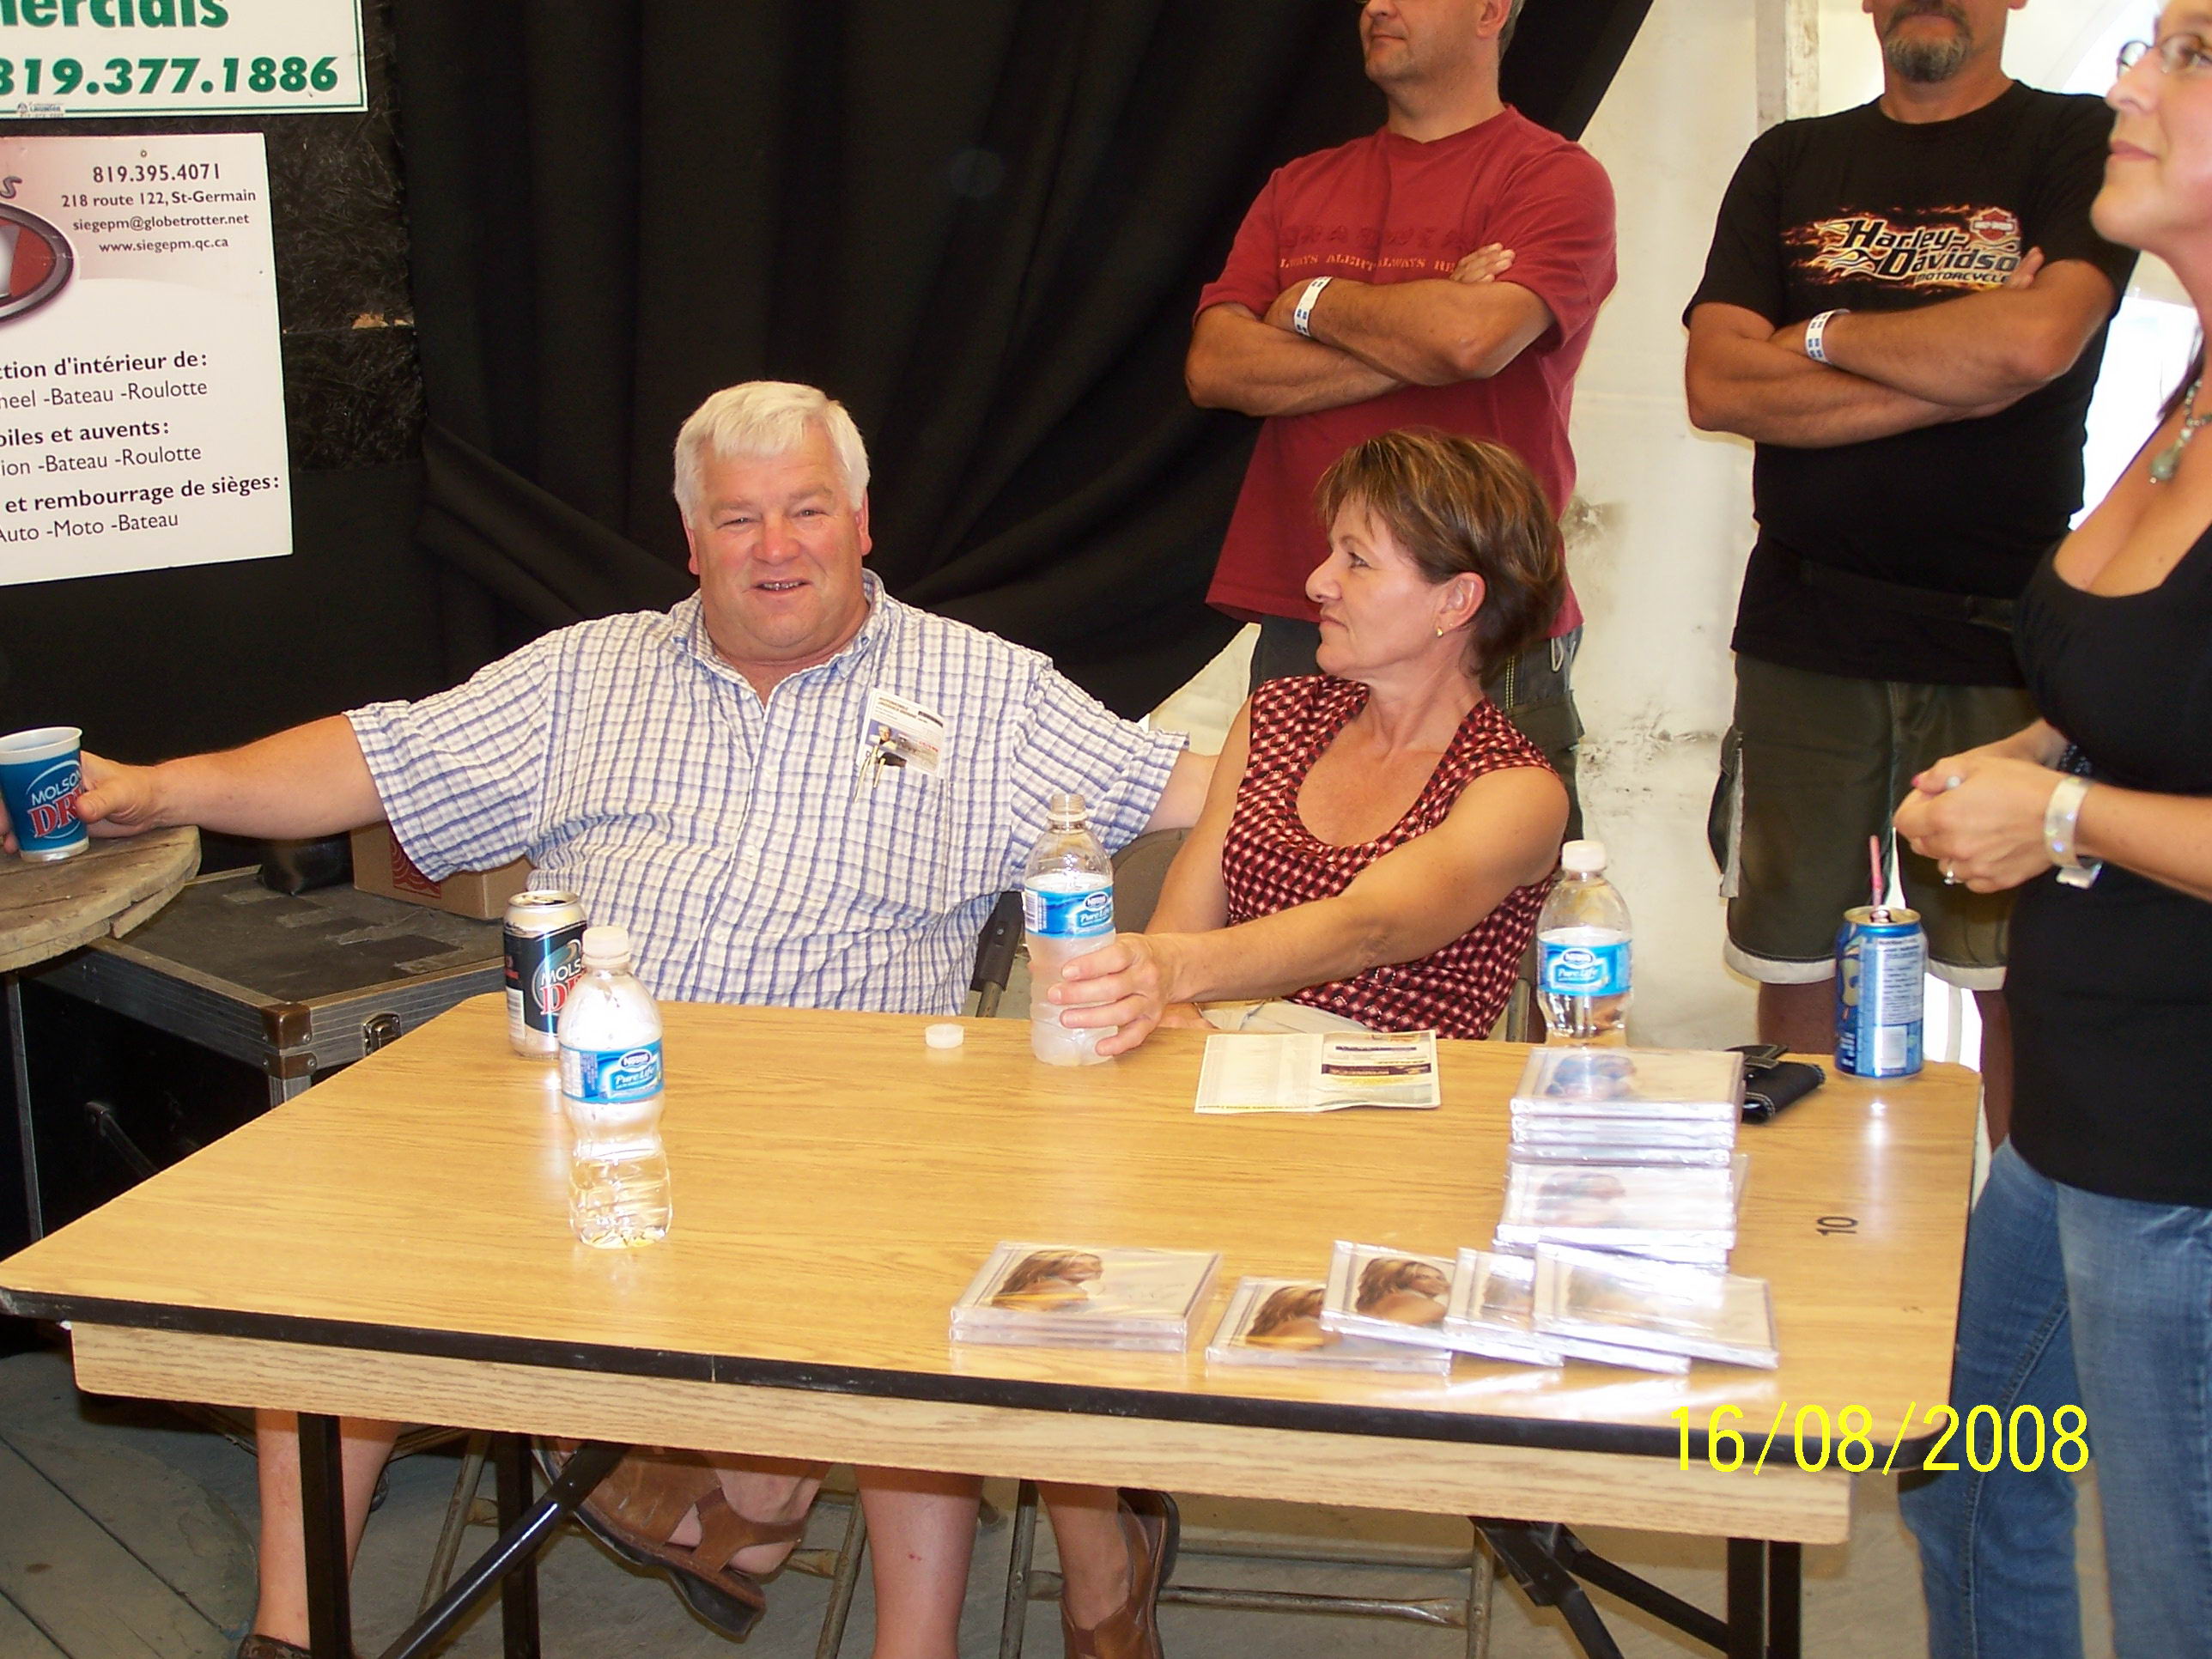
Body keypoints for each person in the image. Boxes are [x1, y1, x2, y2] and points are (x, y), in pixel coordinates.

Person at [3, 381, 1212, 1659]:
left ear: (863, 522)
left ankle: (865, 1603)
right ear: (691, 540)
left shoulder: (988, 689)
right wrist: (159, 789)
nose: (776, 545)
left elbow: (1204, 792)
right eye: (737, 518)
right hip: (590, 1096)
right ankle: (295, 1637)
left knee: (909, 1299)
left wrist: (1223, 930)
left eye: (807, 509)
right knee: (340, 1253)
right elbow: (377, 758)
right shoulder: (587, 673)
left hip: (861, 1130)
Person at [1891, 18, 2212, 1656]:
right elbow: (2156, 691)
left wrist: (2064, 811)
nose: (2127, 86)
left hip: (2184, 1155)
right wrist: (2025, 755)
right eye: (2144, 44)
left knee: (2176, 1596)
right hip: (2085, 1110)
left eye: (2190, 55)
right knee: (1965, 1476)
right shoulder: (2190, 381)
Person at [1684, 0, 2138, 1141]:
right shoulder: (1790, 159)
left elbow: (2033, 344)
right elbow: (1719, 386)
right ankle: (1804, 1228)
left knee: (2015, 984)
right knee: (1793, 961)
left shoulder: (2076, 139)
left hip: (2003, 646)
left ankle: (2009, 1238)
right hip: (1805, 630)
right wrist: (1965, 370)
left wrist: (1818, 335)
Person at [1186, 0, 1615, 834]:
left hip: (1480, 620)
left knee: (1494, 896)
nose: (1376, 6)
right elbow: (1216, 367)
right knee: (1283, 881)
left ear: (1490, 10)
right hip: (1309, 613)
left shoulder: (1553, 179)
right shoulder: (1299, 185)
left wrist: (1306, 302)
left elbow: (1470, 339)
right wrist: (1427, 323)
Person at [1044, 427, 1568, 1051]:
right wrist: (1173, 1000)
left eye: (1357, 560)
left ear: (1455, 601)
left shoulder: (1516, 791)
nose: (1319, 582)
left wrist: (1173, 969)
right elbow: (1180, 923)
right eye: (1331, 553)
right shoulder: (1277, 715)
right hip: (1212, 1044)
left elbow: (1367, 929)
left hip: (1384, 1082)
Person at [1355, 1257, 1451, 1325]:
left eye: (1440, 1278)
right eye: (1423, 1277)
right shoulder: (1430, 1307)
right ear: (1406, 1280)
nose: (1435, 1282)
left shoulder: (1389, 1299)